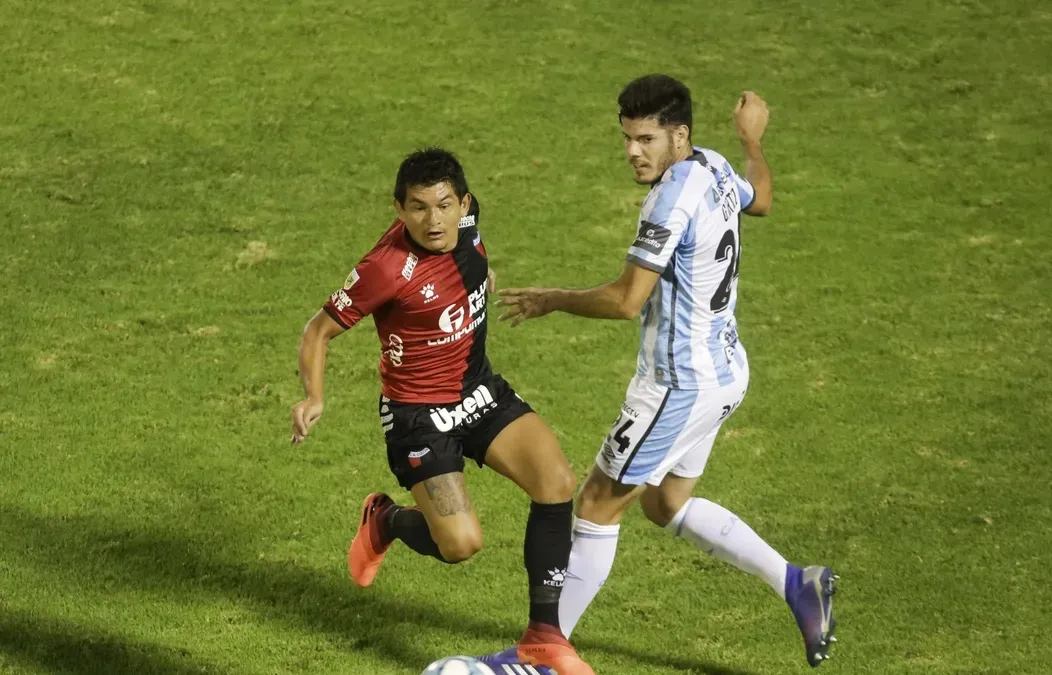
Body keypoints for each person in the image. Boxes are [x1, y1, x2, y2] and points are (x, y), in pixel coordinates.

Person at [491, 75, 838, 667]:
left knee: (597, 504)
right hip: (726, 372)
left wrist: (553, 297)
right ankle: (796, 583)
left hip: (678, 385)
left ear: (679, 135)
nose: (633, 152)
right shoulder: (714, 164)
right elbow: (763, 196)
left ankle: (539, 658)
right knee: (665, 504)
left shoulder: (672, 197)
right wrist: (752, 141)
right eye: (627, 139)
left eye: (646, 139)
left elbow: (628, 299)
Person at [289, 147, 594, 675]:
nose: (434, 220)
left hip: (479, 390)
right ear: (399, 209)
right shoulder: (384, 268)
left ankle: (543, 635)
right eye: (418, 208)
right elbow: (319, 330)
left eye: (444, 205)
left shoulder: (469, 223)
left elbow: (473, 250)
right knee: (460, 545)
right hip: (419, 417)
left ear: (463, 203)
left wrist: (482, 273)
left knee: (557, 482)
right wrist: (314, 396)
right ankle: (384, 519)